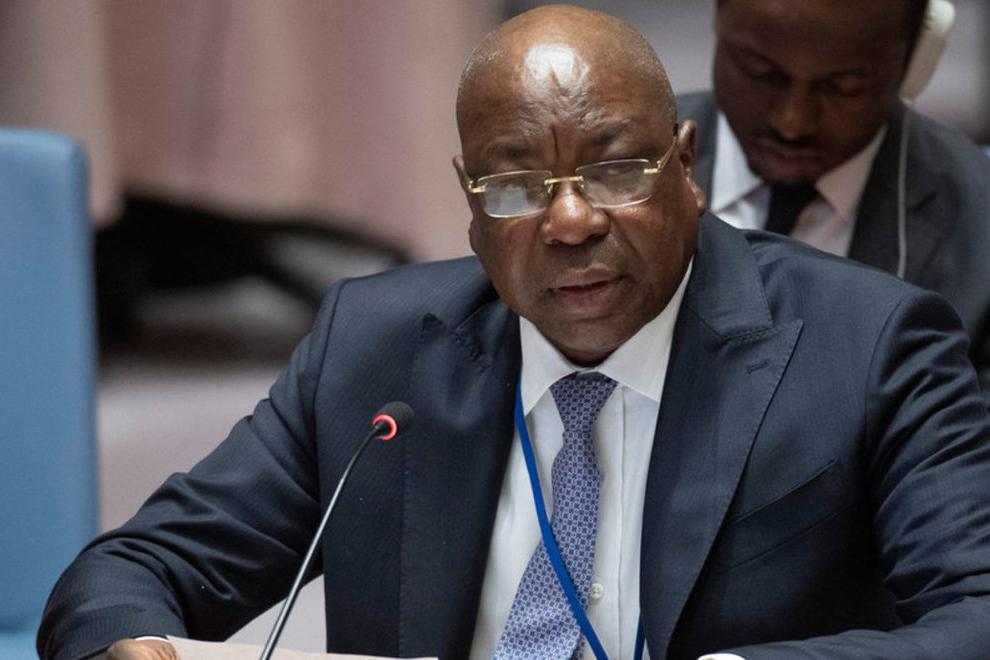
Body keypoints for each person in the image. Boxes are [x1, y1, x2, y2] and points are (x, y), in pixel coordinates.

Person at [39, 6, 990, 660]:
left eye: (615, 172)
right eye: (515, 188)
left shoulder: (870, 346)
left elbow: (976, 614)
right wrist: (134, 644)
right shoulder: (373, 348)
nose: (568, 223)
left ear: (687, 169)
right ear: (469, 200)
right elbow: (130, 572)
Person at [677, 0, 990, 403]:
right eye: (760, 72)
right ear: (718, 21)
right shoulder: (615, 165)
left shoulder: (978, 220)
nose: (793, 123)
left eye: (843, 87)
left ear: (914, 65)